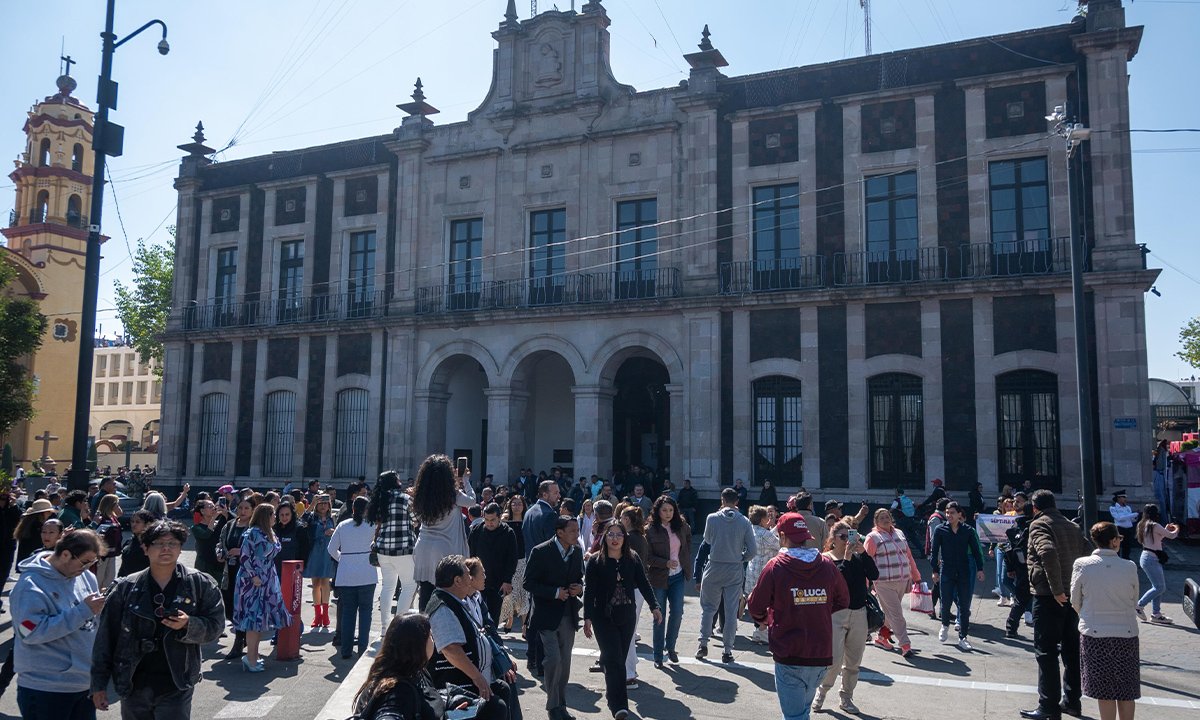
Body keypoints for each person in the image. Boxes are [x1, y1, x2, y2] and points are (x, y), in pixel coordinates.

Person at [90, 521, 225, 718]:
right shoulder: (125, 588)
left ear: (180, 549)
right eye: (158, 543)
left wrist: (189, 624)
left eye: (172, 543)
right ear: (145, 548)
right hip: (133, 682)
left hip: (177, 681)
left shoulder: (199, 583)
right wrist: (98, 684)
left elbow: (216, 625)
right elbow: (105, 638)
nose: (166, 548)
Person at [748, 513, 850, 720]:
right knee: (801, 711)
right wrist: (818, 609)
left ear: (783, 536)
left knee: (795, 716)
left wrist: (764, 619)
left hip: (789, 652)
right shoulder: (826, 565)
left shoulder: (776, 566)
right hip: (819, 654)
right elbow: (843, 600)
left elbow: (755, 605)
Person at [9, 529, 107, 720]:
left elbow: (93, 625)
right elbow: (28, 633)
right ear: (65, 554)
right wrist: (83, 611)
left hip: (83, 684)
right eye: (85, 562)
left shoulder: (86, 577)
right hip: (46, 688)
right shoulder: (30, 586)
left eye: (93, 562)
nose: (88, 568)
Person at [1021, 490, 1091, 720]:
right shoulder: (1072, 526)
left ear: (1034, 507)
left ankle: (1048, 707)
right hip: (1072, 598)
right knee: (1072, 652)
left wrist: (1056, 589)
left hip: (1048, 596)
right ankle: (1072, 702)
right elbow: (1088, 553)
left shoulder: (1039, 525)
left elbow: (1047, 552)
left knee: (1046, 651)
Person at [583, 522, 662, 720]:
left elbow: (643, 583)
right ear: (605, 538)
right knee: (614, 660)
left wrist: (655, 606)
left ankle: (612, 693)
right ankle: (619, 705)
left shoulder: (632, 558)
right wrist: (587, 617)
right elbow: (589, 591)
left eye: (619, 535)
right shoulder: (595, 561)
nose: (615, 538)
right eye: (611, 535)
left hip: (627, 615)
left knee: (618, 659)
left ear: (624, 538)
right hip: (604, 617)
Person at [425, 556, 515, 720]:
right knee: (496, 707)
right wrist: (477, 677)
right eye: (468, 575)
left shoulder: (455, 600)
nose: (471, 579)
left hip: (472, 680)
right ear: (457, 581)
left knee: (503, 689)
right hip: (458, 686)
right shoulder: (442, 607)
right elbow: (451, 649)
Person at [1071, 522, 1140, 720]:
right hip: (1126, 633)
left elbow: (1075, 600)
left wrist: (1087, 614)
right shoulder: (1129, 566)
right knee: (1126, 689)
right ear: (1113, 540)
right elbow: (1134, 599)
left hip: (1095, 633)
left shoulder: (1082, 564)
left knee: (1105, 691)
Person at [813, 519, 878, 715]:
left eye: (851, 535)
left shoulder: (859, 557)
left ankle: (846, 697)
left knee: (853, 662)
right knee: (832, 660)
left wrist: (863, 553)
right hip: (835, 615)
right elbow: (837, 581)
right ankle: (821, 693)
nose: (847, 540)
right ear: (833, 539)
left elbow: (874, 574)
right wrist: (847, 558)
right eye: (843, 536)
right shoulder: (826, 559)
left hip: (859, 613)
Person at [523, 515, 584, 720]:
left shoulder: (576, 552)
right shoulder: (540, 551)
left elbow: (579, 577)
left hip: (568, 615)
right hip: (545, 616)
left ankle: (561, 705)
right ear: (560, 532)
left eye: (577, 530)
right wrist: (554, 592)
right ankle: (552, 707)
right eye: (573, 531)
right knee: (553, 660)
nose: (577, 534)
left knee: (565, 662)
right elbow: (528, 583)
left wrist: (579, 588)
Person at [696, 487, 756, 664]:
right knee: (730, 611)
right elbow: (752, 551)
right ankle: (727, 650)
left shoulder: (712, 518)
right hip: (734, 568)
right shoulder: (744, 521)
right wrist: (740, 557)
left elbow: (707, 540)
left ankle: (703, 643)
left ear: (722, 500)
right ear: (737, 501)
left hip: (714, 565)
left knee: (708, 608)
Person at [412, 454, 477, 611]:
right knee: (445, 593)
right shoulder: (453, 495)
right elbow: (472, 501)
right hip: (444, 547)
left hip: (423, 546)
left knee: (425, 591)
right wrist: (465, 480)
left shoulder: (421, 495)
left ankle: (424, 627)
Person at [234, 504, 292, 671]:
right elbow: (244, 557)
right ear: (266, 516)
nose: (276, 517)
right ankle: (250, 659)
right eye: (273, 514)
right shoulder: (252, 533)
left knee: (260, 621)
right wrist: (253, 576)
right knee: (253, 619)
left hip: (267, 578)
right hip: (253, 581)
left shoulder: (269, 533)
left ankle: (253, 656)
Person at [929, 501, 986, 652]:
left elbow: (975, 551)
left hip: (964, 571)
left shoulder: (967, 530)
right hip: (946, 570)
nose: (949, 516)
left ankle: (963, 637)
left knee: (964, 605)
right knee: (946, 601)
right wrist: (934, 570)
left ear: (959, 514)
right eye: (947, 513)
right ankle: (945, 625)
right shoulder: (941, 530)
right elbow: (934, 553)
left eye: (952, 513)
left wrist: (980, 569)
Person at [863, 508, 921, 657]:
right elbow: (865, 561)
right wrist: (864, 584)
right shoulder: (872, 537)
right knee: (897, 614)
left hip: (902, 580)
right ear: (876, 522)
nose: (885, 520)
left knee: (890, 613)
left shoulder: (900, 533)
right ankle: (905, 645)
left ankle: (881, 637)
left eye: (887, 517)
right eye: (881, 518)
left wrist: (916, 576)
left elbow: (909, 556)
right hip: (883, 582)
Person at [329, 495, 379, 659]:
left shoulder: (343, 525)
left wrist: (342, 559)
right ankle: (363, 649)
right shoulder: (372, 525)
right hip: (367, 573)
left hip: (346, 574)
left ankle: (346, 650)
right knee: (366, 612)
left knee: (348, 612)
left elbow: (331, 549)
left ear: (353, 509)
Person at [645, 495, 691, 668]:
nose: (668, 513)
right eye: (664, 510)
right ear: (657, 511)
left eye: (671, 510)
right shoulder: (650, 529)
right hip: (658, 577)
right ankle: (657, 656)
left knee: (678, 612)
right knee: (659, 616)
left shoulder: (682, 526)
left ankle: (670, 647)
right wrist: (664, 563)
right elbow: (647, 556)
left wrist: (684, 562)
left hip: (678, 575)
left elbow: (687, 544)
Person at [521, 480, 562, 676]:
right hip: (545, 572)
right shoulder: (549, 515)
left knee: (533, 616)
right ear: (545, 494)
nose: (558, 496)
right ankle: (539, 660)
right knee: (542, 619)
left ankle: (531, 657)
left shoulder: (530, 511)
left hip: (531, 568)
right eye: (555, 492)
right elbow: (551, 546)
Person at [370, 470, 418, 630]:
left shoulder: (379, 500)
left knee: (388, 587)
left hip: (383, 550)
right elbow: (416, 520)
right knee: (409, 586)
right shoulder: (404, 499)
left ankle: (384, 627)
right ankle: (398, 626)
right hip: (403, 548)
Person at [469, 502, 519, 628]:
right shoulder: (477, 530)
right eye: (486, 519)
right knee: (476, 614)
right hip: (478, 580)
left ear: (499, 517)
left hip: (499, 582)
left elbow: (512, 559)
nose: (489, 523)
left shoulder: (508, 533)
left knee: (494, 615)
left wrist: (507, 580)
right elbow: (470, 555)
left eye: (493, 520)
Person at [1134, 503, 1179, 624]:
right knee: (1160, 587)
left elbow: (1158, 537)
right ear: (1155, 513)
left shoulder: (1142, 524)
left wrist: (1164, 528)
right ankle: (1139, 606)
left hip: (1147, 557)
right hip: (1151, 559)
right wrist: (1176, 528)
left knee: (1158, 586)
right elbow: (1171, 536)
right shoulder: (1154, 525)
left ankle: (1156, 614)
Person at [744, 505, 780, 644]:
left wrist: (774, 528)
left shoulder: (751, 530)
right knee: (767, 603)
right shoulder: (765, 534)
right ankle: (761, 631)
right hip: (764, 571)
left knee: (756, 600)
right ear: (761, 519)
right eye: (767, 517)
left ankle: (759, 630)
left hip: (753, 569)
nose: (769, 519)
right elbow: (779, 544)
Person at [303, 493, 337, 632]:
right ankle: (317, 615)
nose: (323, 506)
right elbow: (301, 522)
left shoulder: (333, 518)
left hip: (327, 553)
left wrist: (333, 531)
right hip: (314, 552)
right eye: (320, 503)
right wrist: (311, 505)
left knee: (325, 583)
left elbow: (339, 533)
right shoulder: (312, 517)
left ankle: (325, 614)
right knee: (316, 584)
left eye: (325, 503)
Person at [498, 495, 529, 634]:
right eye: (514, 504)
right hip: (508, 560)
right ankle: (509, 619)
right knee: (509, 591)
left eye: (519, 504)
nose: (517, 506)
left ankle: (524, 625)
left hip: (523, 559)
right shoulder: (505, 521)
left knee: (523, 592)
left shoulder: (527, 521)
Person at [90, 494, 123, 591]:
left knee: (109, 579)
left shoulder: (113, 517)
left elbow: (120, 513)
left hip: (113, 553)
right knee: (98, 579)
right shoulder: (101, 518)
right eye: (116, 504)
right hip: (102, 555)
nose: (118, 507)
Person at [191, 499, 226, 584]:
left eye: (214, 506)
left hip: (218, 563)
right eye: (210, 507)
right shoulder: (196, 528)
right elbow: (206, 535)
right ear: (202, 511)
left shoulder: (219, 524)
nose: (213, 508)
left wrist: (225, 512)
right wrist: (214, 517)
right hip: (204, 564)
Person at [14, 498, 55, 563]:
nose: (50, 514)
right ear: (42, 513)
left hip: (25, 561)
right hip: (32, 560)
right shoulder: (37, 527)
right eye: (48, 512)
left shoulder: (28, 523)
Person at [273, 501, 309, 574]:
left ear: (292, 514)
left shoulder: (300, 528)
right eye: (281, 515)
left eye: (287, 514)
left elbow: (305, 551)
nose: (284, 517)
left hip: (293, 569)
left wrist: (301, 568)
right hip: (275, 568)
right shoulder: (274, 528)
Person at [119, 510, 158, 578]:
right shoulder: (129, 542)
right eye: (132, 521)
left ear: (147, 524)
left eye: (138, 522)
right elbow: (123, 567)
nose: (134, 524)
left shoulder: (153, 544)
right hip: (128, 582)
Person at [1108, 492, 1137, 560]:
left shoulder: (1127, 507)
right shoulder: (1113, 508)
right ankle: (1116, 559)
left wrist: (1134, 518)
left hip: (1128, 528)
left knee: (1127, 546)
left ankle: (1126, 559)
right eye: (1123, 497)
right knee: (1117, 545)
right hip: (1119, 529)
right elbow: (1119, 518)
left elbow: (1130, 520)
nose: (1125, 499)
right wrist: (1133, 515)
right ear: (1118, 498)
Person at [1151, 439, 1171, 521]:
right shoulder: (1162, 450)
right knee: (1161, 498)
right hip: (1159, 474)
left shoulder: (1160, 450)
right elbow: (1160, 464)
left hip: (1158, 474)